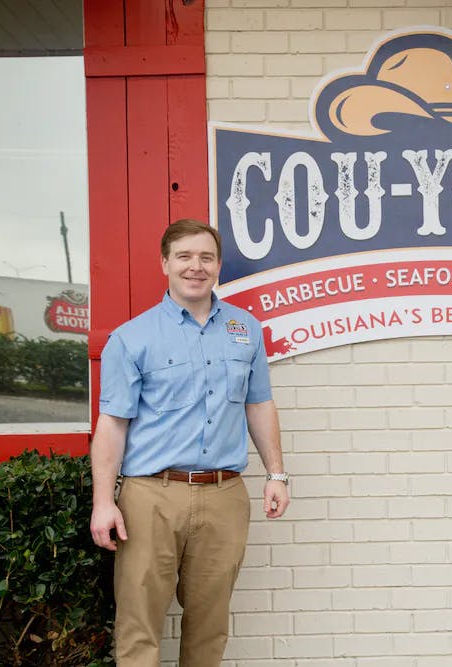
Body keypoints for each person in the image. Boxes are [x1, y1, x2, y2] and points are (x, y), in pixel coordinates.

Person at [89, 219, 290, 666]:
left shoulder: (246, 330)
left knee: (210, 627)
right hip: (150, 497)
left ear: (218, 266)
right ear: (165, 263)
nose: (195, 267)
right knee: (139, 625)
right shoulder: (131, 338)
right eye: (184, 256)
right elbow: (112, 424)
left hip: (224, 496)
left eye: (206, 257)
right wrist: (104, 501)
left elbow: (258, 405)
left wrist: (277, 474)